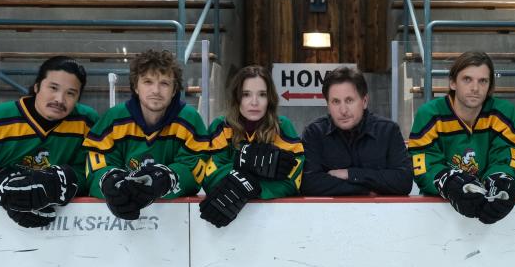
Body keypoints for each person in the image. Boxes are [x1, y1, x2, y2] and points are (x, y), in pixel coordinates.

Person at [0, 55, 99, 227]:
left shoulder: (87, 122)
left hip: (68, 225)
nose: (60, 99)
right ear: (37, 86)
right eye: (53, 88)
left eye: (70, 93)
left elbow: (92, 170)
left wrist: (66, 181)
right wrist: (0, 188)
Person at [83, 49, 211, 220]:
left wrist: (167, 178)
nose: (156, 90)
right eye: (148, 82)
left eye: (164, 83)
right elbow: (95, 168)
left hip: (173, 221)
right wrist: (111, 185)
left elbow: (195, 169)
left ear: (174, 90)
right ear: (136, 86)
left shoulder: (190, 119)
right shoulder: (114, 119)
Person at [407, 51, 515, 224]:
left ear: (490, 86)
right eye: (467, 79)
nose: (475, 88)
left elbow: (506, 157)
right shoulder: (429, 114)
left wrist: (501, 182)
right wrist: (451, 182)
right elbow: (423, 164)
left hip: (489, 209)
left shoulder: (504, 113)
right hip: (437, 214)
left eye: (483, 81)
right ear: (453, 82)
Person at [199, 65, 304, 227]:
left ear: (270, 99)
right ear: (237, 97)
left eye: (262, 95)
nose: (254, 102)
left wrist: (251, 187)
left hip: (275, 222)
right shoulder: (221, 126)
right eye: (246, 94)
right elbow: (210, 174)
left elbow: (292, 180)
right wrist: (244, 162)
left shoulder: (283, 127)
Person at [301, 67, 412, 196]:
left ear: (364, 101)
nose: (343, 110)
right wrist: (365, 190)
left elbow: (403, 181)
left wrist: (350, 174)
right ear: (328, 105)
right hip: (328, 214)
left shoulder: (388, 131)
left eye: (349, 100)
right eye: (336, 102)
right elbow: (308, 183)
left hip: (381, 215)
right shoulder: (314, 133)